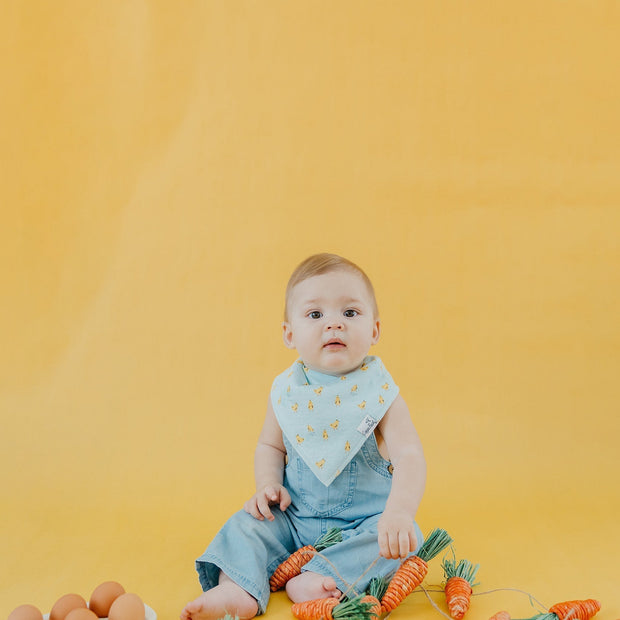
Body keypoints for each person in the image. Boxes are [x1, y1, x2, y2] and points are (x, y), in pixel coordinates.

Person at [180, 253, 427, 620]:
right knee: (246, 525)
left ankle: (319, 578)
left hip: (362, 525)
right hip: (292, 518)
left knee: (407, 539)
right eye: (315, 315)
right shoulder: (286, 393)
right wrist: (267, 485)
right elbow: (270, 446)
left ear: (375, 330)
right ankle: (237, 587)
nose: (334, 325)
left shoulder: (382, 395)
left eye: (350, 313)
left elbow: (409, 455)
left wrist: (398, 513)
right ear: (289, 333)